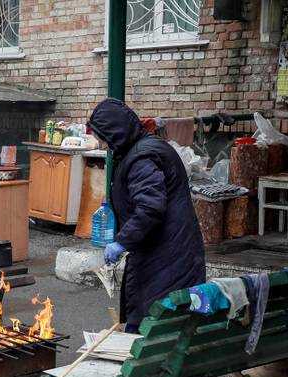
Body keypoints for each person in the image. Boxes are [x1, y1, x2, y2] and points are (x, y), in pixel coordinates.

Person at [87, 98, 206, 333]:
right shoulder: (143, 148)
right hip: (167, 251)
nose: (102, 146)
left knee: (152, 325)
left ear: (116, 132)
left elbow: (151, 207)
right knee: (155, 319)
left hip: (167, 256)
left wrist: (122, 241)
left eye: (103, 139)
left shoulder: (142, 158)